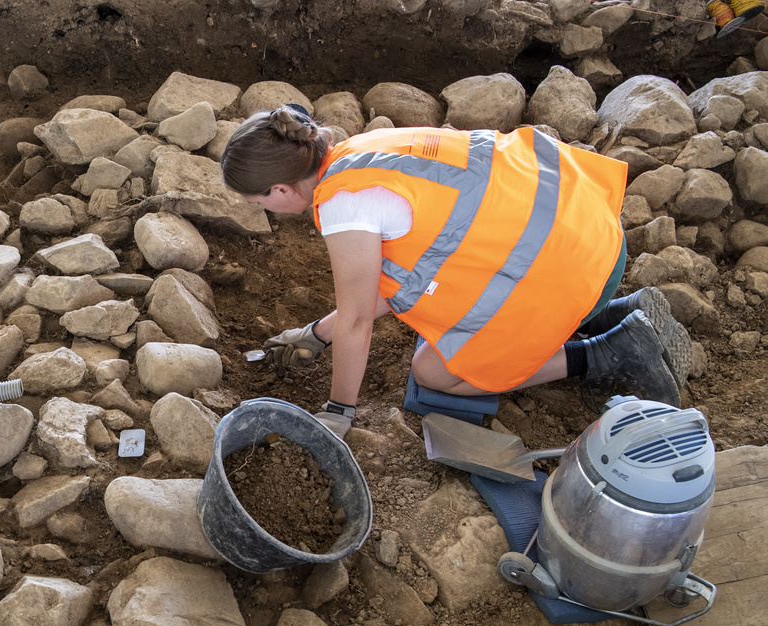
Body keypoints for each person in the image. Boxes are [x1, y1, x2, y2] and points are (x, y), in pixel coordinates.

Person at [219, 105, 692, 438]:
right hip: (592, 234)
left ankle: (609, 351)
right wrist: (317, 335)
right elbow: (401, 280)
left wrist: (340, 410)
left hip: (571, 272)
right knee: (446, 323)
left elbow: (359, 319)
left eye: (258, 201)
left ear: (280, 190)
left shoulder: (345, 207)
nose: (264, 209)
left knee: (432, 371)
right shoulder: (363, 153)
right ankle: (612, 312)